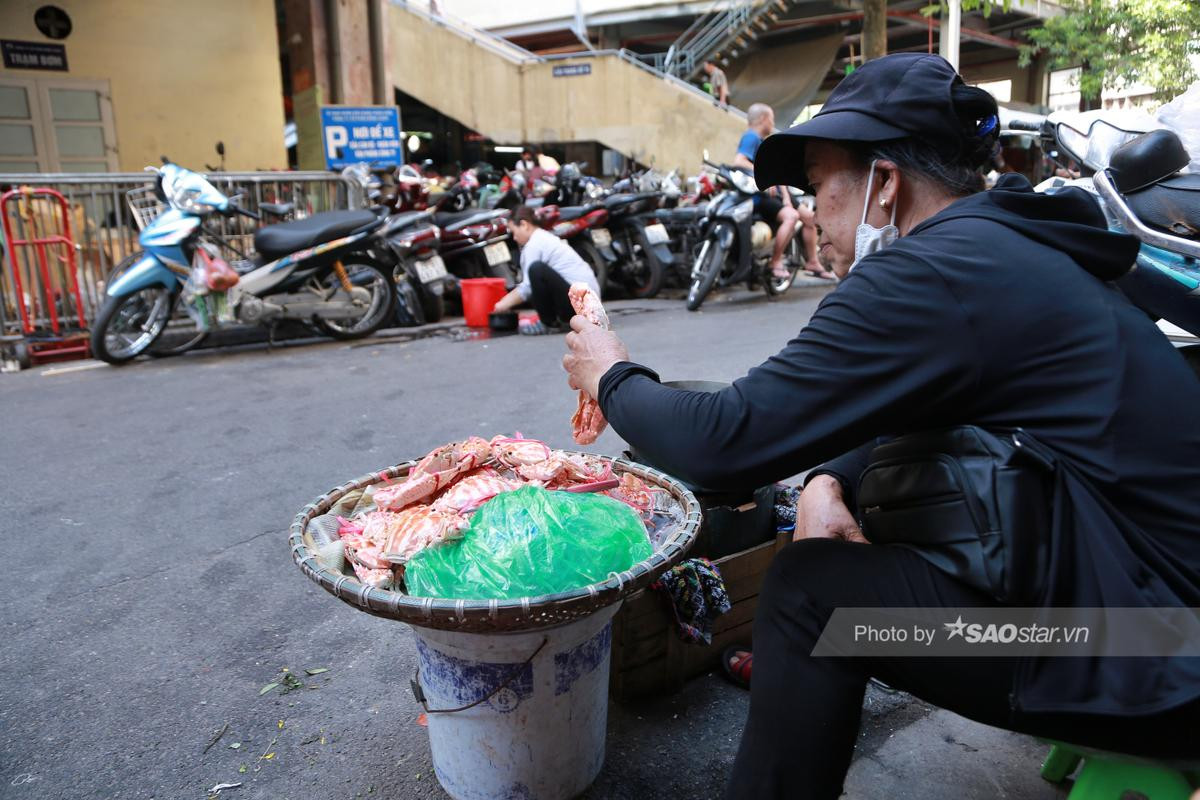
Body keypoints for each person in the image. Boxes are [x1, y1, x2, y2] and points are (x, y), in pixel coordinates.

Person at [562, 53, 1200, 797]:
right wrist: (829, 478)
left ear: (884, 182)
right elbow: (909, 404)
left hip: (1152, 653)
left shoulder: (933, 274)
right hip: (1161, 617)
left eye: (820, 186)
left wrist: (610, 376)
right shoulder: (1004, 246)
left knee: (811, 596)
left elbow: (723, 441)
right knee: (840, 554)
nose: (813, 216)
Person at [735, 103, 829, 280]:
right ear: (763, 119)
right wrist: (762, 175)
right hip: (762, 196)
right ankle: (776, 261)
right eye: (771, 118)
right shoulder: (751, 137)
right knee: (794, 217)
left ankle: (813, 261)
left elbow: (777, 174)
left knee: (810, 218)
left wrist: (786, 196)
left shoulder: (762, 142)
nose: (773, 122)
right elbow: (739, 161)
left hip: (779, 194)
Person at [493, 205, 600, 335]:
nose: (514, 238)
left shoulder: (534, 245)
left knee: (537, 270)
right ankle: (560, 319)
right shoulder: (544, 237)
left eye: (514, 231)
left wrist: (502, 305)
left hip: (583, 305)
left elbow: (526, 288)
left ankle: (549, 323)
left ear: (524, 224)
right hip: (589, 305)